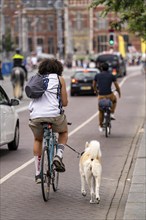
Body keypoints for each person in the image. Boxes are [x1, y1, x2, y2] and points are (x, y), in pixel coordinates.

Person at [28, 58, 68, 183]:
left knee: (38, 139)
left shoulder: (36, 79)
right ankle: (58, 156)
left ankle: (38, 173)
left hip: (36, 116)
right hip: (54, 116)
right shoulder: (59, 79)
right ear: (58, 69)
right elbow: (65, 103)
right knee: (63, 132)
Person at [93, 62, 121, 132]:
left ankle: (100, 125)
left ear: (101, 68)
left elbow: (93, 85)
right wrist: (119, 92)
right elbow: (116, 85)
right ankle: (112, 113)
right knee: (114, 100)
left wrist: (95, 90)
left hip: (101, 95)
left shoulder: (97, 75)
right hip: (109, 95)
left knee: (100, 110)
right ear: (108, 68)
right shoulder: (111, 75)